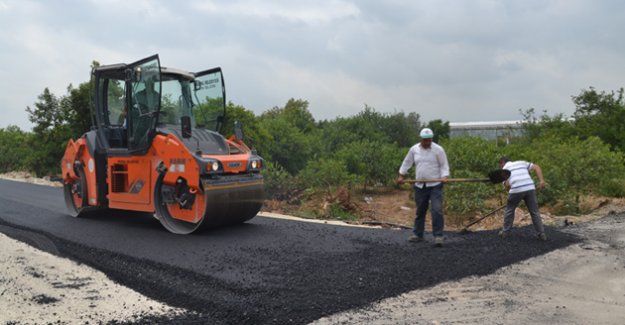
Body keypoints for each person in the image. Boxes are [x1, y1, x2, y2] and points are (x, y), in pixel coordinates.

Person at [397, 128, 450, 247]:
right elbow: (407, 162)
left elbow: (444, 165)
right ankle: (418, 234)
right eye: (425, 140)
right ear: (421, 139)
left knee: (436, 209)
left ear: (432, 139)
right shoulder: (414, 149)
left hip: (435, 185)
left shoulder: (438, 150)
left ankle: (438, 236)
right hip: (420, 186)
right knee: (420, 210)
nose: (427, 142)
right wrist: (401, 175)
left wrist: (444, 176)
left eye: (429, 140)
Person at [498, 156, 547, 241]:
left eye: (500, 165)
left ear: (502, 163)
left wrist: (509, 190)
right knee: (534, 211)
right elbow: (536, 167)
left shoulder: (504, 170)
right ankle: (541, 234)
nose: (500, 167)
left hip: (516, 189)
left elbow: (507, 185)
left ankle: (505, 232)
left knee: (510, 210)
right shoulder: (521, 162)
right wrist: (541, 181)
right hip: (530, 188)